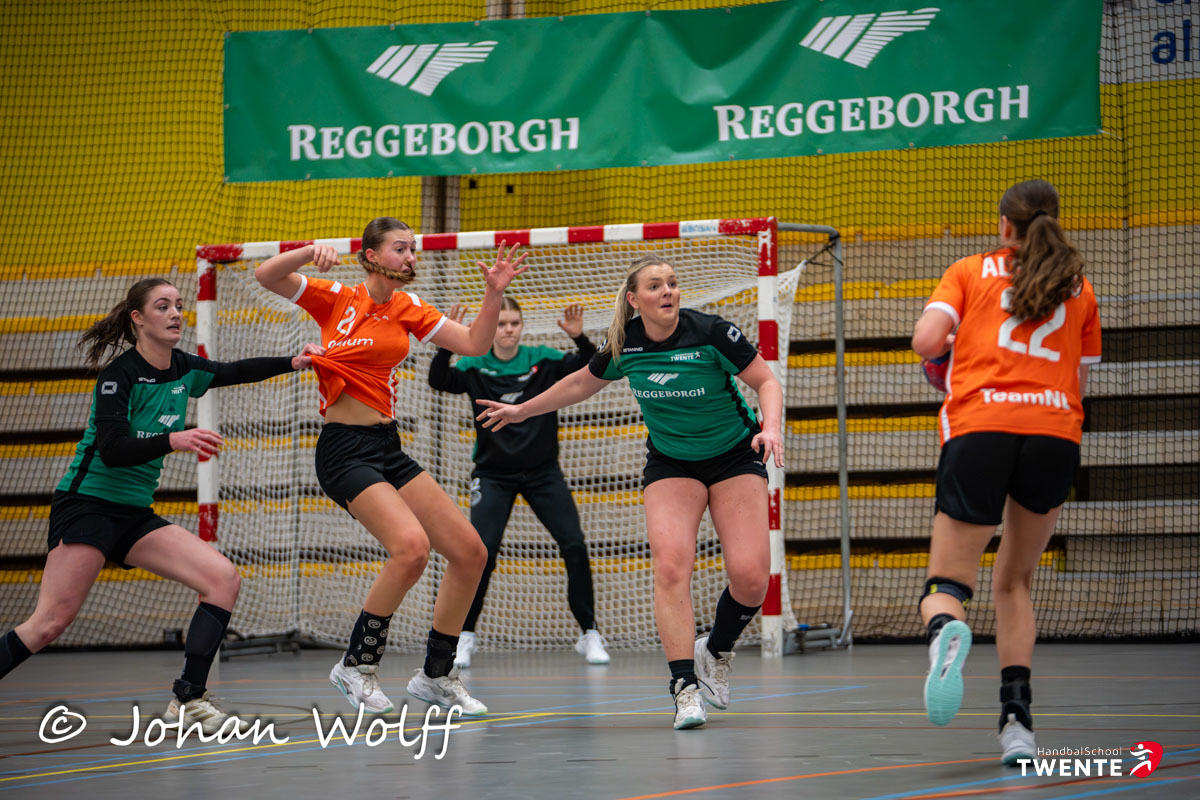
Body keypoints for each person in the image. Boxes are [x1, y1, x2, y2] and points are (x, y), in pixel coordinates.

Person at [0, 278, 322, 733]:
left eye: (179, 306)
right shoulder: (119, 375)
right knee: (49, 623)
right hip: (88, 506)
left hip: (134, 513)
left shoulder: (183, 368)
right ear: (138, 318)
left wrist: (294, 362)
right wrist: (174, 439)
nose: (175, 314)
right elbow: (113, 449)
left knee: (222, 579)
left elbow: (233, 371)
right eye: (163, 306)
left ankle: (189, 698)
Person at [477, 255, 784, 730]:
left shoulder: (711, 332)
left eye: (672, 283)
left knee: (751, 579)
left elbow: (765, 381)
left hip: (733, 457)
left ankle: (716, 650)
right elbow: (580, 382)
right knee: (671, 567)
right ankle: (684, 688)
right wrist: (521, 410)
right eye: (655, 285)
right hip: (672, 463)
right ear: (635, 299)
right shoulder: (625, 343)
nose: (668, 291)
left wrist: (772, 427)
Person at [254, 217, 529, 717]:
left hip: (387, 446)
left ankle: (437, 675)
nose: (410, 257)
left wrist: (493, 294)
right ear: (371, 256)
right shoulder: (335, 297)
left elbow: (473, 344)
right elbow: (266, 275)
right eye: (400, 248)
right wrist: (308, 252)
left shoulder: (408, 306)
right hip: (343, 450)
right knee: (411, 549)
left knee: (470, 552)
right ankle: (356, 665)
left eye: (413, 249)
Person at [911, 179, 1101, 764]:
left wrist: (955, 348)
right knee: (1014, 582)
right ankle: (1017, 723)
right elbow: (1081, 381)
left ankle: (944, 632)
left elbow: (926, 340)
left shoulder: (970, 270)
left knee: (948, 583)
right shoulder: (1079, 286)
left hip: (982, 428)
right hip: (1054, 434)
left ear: (1003, 225)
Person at [428, 299, 609, 667]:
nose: (508, 329)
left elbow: (590, 368)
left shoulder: (542, 358)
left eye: (514, 323)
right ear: (490, 328)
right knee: (481, 552)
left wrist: (579, 338)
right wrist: (446, 345)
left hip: (543, 474)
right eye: (501, 324)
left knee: (574, 544)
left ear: (522, 326)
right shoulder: (474, 363)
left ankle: (589, 632)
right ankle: (465, 635)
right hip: (493, 475)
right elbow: (438, 380)